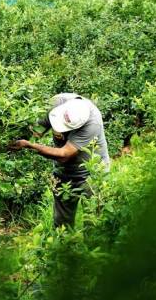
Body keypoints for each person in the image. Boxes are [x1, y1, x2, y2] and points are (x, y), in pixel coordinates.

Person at [11, 93, 110, 228]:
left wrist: (30, 146)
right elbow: (36, 131)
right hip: (64, 172)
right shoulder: (56, 103)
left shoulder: (92, 123)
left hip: (92, 172)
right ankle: (65, 247)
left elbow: (64, 154)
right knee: (62, 224)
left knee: (93, 222)